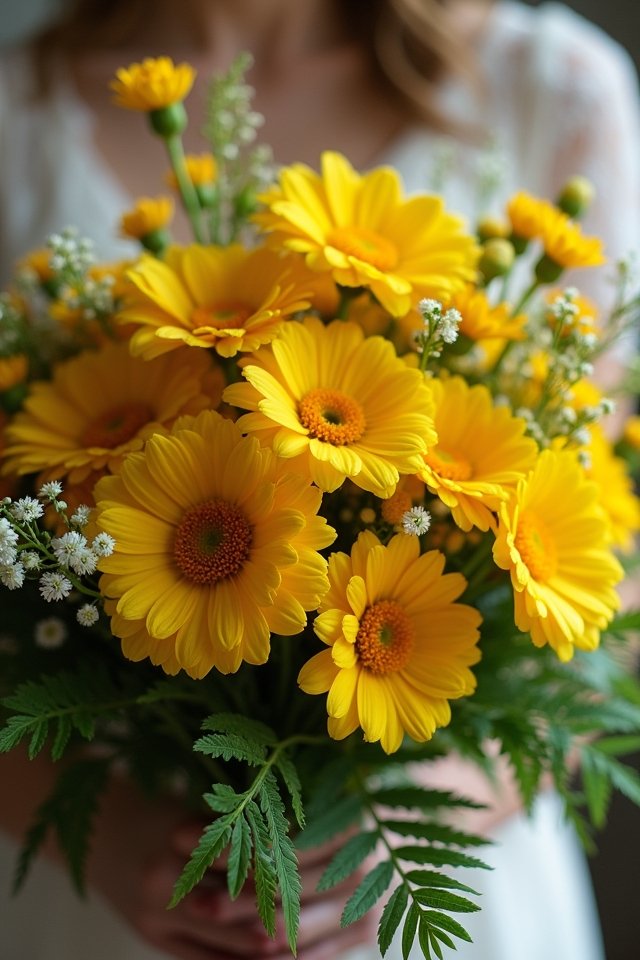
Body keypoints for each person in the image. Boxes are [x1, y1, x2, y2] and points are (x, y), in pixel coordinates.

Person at [0, 1, 639, 958]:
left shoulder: (553, 86)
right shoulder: (17, 103)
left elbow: (605, 558)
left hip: (428, 882)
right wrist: (109, 828)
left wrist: (447, 806)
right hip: (113, 893)